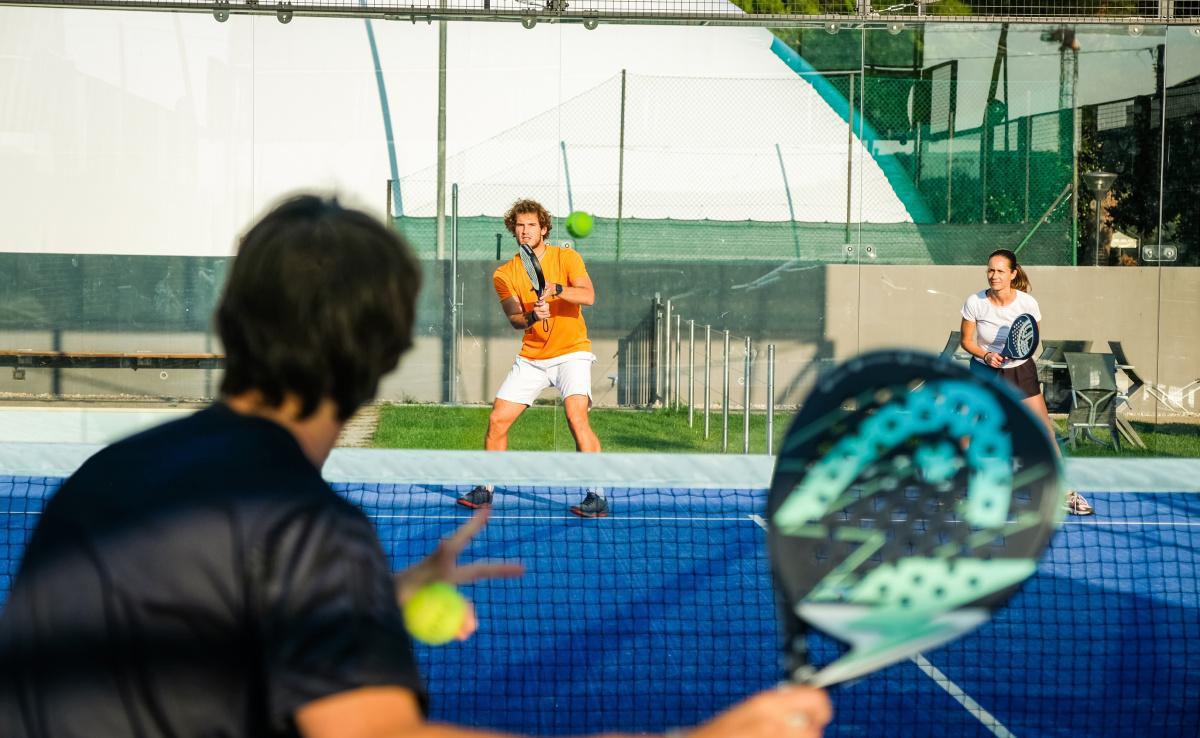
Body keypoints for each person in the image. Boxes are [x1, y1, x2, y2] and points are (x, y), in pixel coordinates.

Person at [0, 195, 832, 738]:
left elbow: (185, 641)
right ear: (385, 353)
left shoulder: (104, 478)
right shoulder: (303, 531)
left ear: (229, 316)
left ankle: (593, 483)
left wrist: (365, 600)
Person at [458, 198, 608, 518]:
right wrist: (532, 317)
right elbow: (515, 318)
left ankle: (597, 494)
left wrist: (556, 289)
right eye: (520, 225)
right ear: (513, 229)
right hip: (532, 357)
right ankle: (486, 489)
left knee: (575, 415)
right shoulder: (505, 274)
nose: (525, 231)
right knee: (498, 419)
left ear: (543, 229)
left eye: (531, 225)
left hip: (572, 352)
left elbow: (588, 295)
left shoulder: (567, 257)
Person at [960, 248, 1094, 516]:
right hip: (984, 370)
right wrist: (987, 354)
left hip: (1020, 371)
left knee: (1043, 429)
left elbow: (1030, 342)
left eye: (1000, 271)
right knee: (965, 430)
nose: (993, 275)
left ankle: (1064, 492)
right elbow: (967, 341)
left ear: (1012, 273)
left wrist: (1009, 357)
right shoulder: (975, 302)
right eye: (990, 270)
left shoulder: (1027, 304)